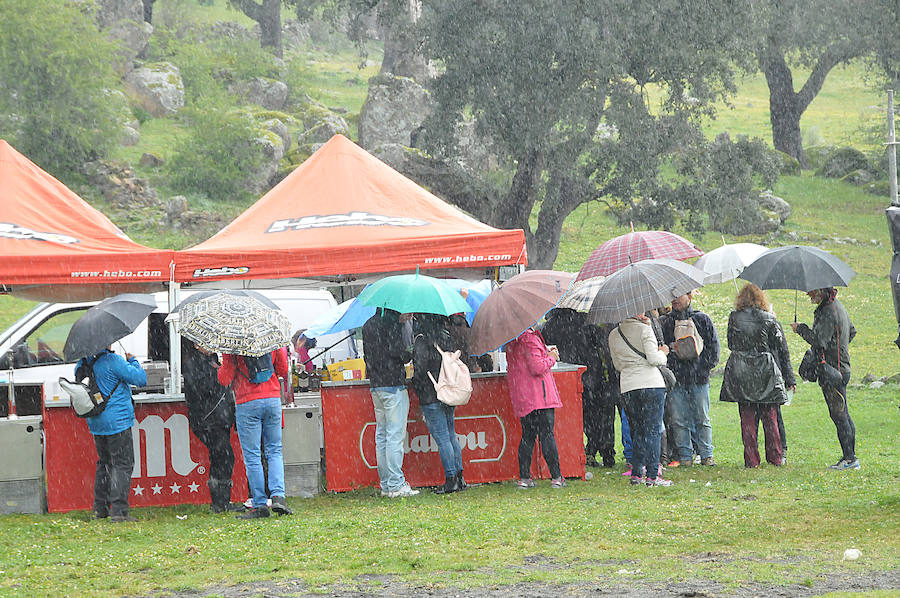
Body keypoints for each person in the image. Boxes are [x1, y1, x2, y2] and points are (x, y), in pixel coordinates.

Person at [719, 284, 795, 467]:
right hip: (765, 370)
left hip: (742, 370)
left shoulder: (734, 318)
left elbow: (731, 343)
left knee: (747, 418)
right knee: (770, 417)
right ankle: (775, 456)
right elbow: (778, 344)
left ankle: (751, 459)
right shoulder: (769, 318)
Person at [218, 347, 293, 519]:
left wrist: (223, 365)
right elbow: (283, 370)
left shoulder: (233, 343)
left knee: (252, 456)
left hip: (247, 401)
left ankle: (260, 504)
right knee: (274, 451)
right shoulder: (271, 339)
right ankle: (278, 496)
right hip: (272, 399)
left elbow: (225, 379)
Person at [75, 346, 147, 522]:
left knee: (104, 464)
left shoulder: (82, 362)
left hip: (96, 421)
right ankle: (119, 511)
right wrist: (133, 360)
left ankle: (100, 509)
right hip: (117, 420)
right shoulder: (112, 361)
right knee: (122, 465)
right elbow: (140, 379)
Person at [790, 287, 859, 470]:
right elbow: (851, 332)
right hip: (840, 368)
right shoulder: (837, 306)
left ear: (821, 290)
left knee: (839, 415)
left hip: (833, 372)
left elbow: (819, 341)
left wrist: (801, 329)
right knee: (842, 414)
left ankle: (850, 459)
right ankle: (850, 458)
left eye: (811, 291)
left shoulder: (828, 311)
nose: (808, 294)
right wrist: (839, 349)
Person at [541, 308, 611, 467]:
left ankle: (570, 453)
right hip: (590, 374)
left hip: (563, 377)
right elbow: (601, 344)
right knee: (594, 418)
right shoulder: (586, 321)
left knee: (569, 418)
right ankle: (596, 451)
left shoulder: (548, 326)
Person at [609, 313, 673, 487]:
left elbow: (618, 365)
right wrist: (663, 353)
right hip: (650, 383)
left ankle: (637, 473)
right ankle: (652, 475)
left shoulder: (614, 334)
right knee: (652, 430)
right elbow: (653, 359)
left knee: (637, 430)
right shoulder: (645, 330)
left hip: (628, 385)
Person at [362, 308, 419, 498]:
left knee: (382, 436)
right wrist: (408, 353)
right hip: (393, 383)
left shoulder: (368, 324)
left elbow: (368, 356)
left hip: (376, 385)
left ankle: (386, 483)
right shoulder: (393, 324)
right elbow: (399, 353)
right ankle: (396, 484)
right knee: (395, 436)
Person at [660, 290, 720, 467]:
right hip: (676, 380)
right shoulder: (666, 322)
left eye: (679, 295)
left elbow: (713, 349)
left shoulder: (702, 320)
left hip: (698, 379)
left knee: (701, 417)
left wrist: (701, 368)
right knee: (678, 419)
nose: (675, 299)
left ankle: (706, 454)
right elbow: (662, 349)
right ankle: (685, 456)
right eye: (672, 295)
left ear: (690, 297)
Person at [182, 339, 242, 513]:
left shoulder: (215, 360)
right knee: (223, 456)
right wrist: (220, 376)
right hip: (207, 419)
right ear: (195, 345)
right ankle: (220, 503)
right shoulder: (192, 363)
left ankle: (221, 502)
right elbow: (203, 387)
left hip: (219, 418)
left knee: (222, 457)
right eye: (204, 342)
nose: (209, 345)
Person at [411, 313, 465, 494]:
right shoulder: (446, 336)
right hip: (448, 393)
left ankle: (451, 480)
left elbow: (420, 369)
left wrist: (417, 386)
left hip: (430, 395)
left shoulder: (421, 340)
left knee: (443, 439)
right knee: (451, 435)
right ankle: (459, 477)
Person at [505, 327, 566, 489]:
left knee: (527, 436)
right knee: (547, 435)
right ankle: (556, 476)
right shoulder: (530, 339)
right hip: (540, 396)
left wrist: (544, 353)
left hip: (524, 396)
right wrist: (551, 358)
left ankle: (524, 477)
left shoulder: (512, 340)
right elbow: (537, 367)